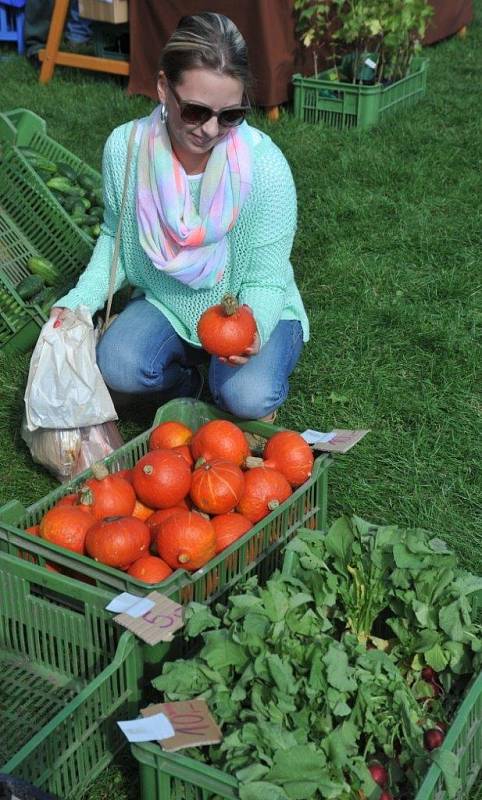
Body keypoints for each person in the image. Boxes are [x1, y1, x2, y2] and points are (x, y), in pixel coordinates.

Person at [51, 12, 309, 421]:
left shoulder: (266, 169)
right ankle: (192, 386)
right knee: (118, 364)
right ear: (161, 89)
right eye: (195, 111)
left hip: (245, 303)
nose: (210, 129)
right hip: (168, 300)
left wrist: (253, 329)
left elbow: (266, 278)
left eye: (230, 115)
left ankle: (232, 384)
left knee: (248, 395)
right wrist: (79, 302)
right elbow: (115, 235)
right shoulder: (126, 149)